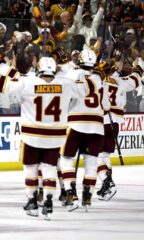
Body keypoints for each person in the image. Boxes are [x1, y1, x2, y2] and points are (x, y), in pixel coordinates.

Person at [0, 56, 87, 220]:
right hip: (55, 136)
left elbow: (3, 87)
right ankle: (48, 202)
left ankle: (32, 201)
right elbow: (85, 90)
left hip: (32, 135)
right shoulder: (65, 83)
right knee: (50, 168)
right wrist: (80, 71)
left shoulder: (28, 82)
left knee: (31, 169)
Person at [59, 49, 105, 212]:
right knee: (91, 163)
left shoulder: (72, 73)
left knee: (66, 159)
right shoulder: (100, 78)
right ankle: (88, 196)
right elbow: (105, 105)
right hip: (97, 126)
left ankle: (70, 192)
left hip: (75, 122)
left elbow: (63, 90)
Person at [97, 58, 144, 201]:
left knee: (97, 156)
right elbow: (135, 80)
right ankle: (106, 187)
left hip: (100, 121)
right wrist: (137, 68)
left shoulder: (97, 81)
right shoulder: (120, 82)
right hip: (115, 122)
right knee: (105, 156)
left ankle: (108, 183)